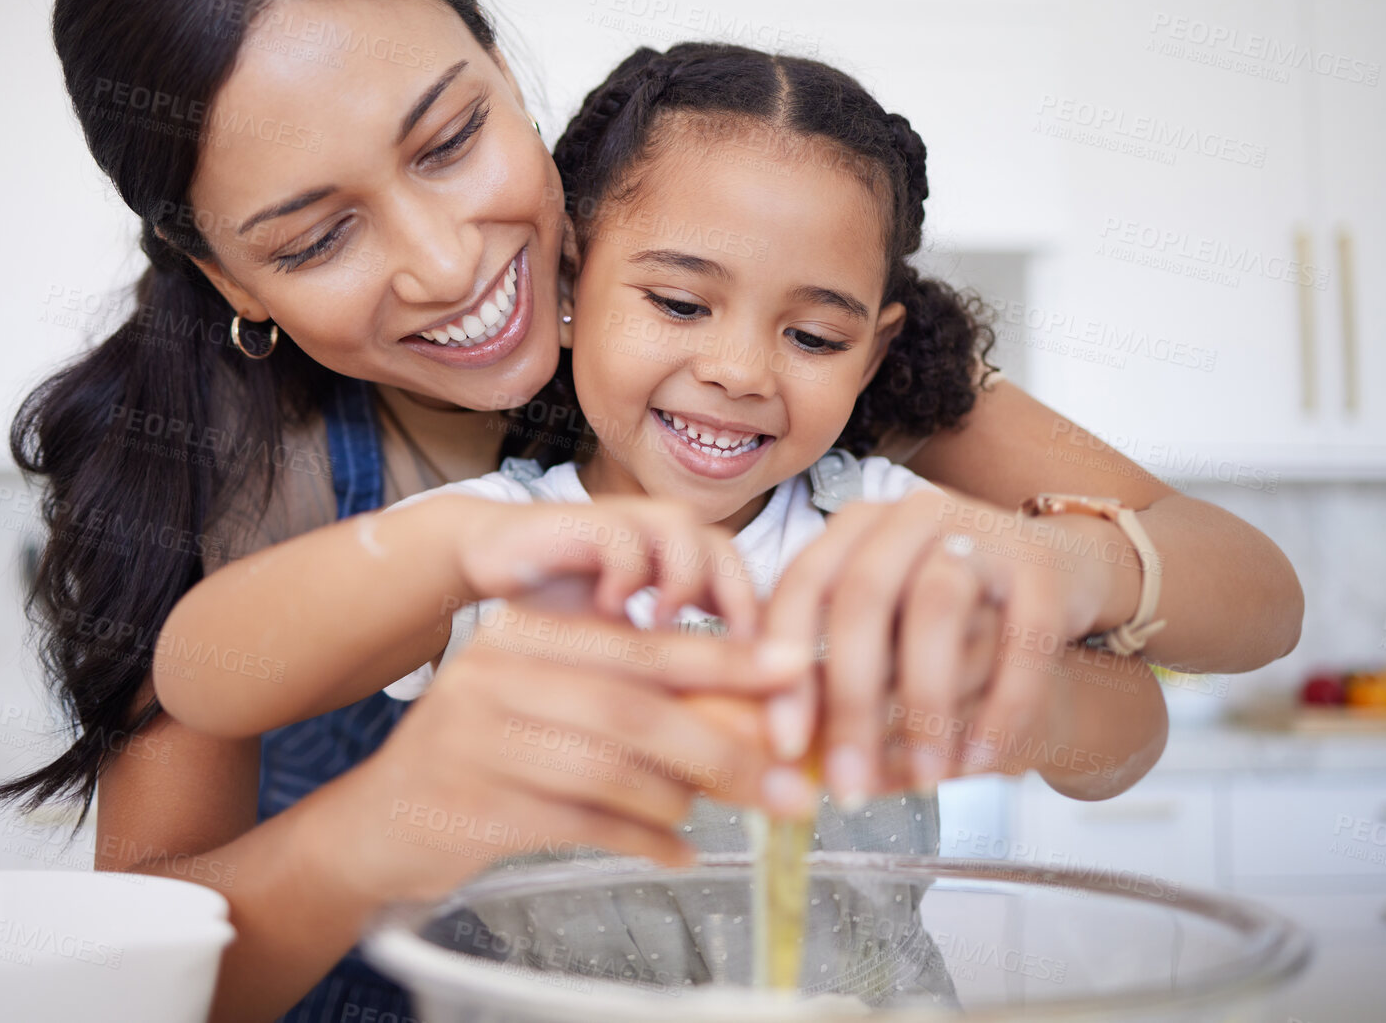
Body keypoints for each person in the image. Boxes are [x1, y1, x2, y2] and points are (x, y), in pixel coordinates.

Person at [0, 0, 1304, 1021]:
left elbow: (1225, 608)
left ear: (506, 75)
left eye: (449, 138)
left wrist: (1056, 583)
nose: (447, 265)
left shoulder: (785, 335)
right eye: (316, 236)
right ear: (231, 278)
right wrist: (405, 786)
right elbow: (154, 902)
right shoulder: (244, 463)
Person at [154, 41, 1169, 814]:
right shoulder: (502, 549)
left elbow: (1133, 736)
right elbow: (206, 675)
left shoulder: (887, 532)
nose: (738, 371)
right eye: (680, 306)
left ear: (872, 355)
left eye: (813, 337)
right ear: (568, 286)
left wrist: (1026, 702)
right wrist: (464, 550)